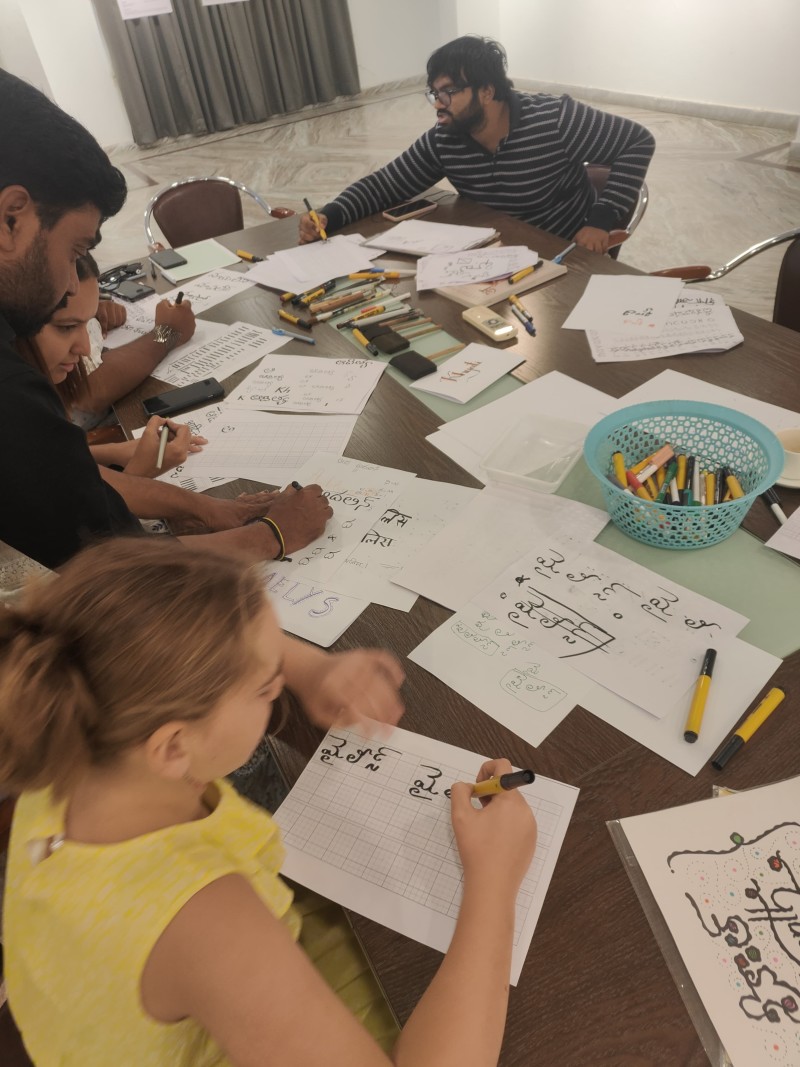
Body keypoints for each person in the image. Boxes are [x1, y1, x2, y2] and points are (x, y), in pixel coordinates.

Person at [1, 537, 536, 1067]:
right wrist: (494, 879)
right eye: (264, 688)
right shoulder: (204, 920)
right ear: (173, 747)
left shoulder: (68, 727)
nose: (279, 686)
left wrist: (313, 669)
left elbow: (249, 644)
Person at [0, 70, 330, 570]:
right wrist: (271, 537)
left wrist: (208, 508)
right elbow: (112, 565)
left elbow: (63, 475)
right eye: (75, 251)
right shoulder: (10, 388)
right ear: (11, 218)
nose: (68, 279)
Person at [299, 35, 655, 255]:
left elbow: (637, 142)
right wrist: (331, 214)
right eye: (434, 93)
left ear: (487, 91)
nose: (438, 104)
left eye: (449, 92)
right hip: (497, 257)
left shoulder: (555, 120)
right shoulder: (446, 138)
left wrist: (600, 221)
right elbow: (386, 185)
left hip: (563, 253)